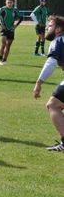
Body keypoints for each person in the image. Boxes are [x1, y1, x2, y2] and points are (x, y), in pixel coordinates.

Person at [32, 15, 64, 152]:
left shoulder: (58, 41)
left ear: (58, 29)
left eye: (50, 25)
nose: (46, 27)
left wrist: (39, 83)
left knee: (53, 105)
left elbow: (50, 63)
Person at [0, 0, 22, 65]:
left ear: (13, 3)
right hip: (3, 29)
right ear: (5, 2)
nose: (9, 4)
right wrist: (0, 24)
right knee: (3, 44)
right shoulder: (2, 9)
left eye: (11, 2)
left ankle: (4, 59)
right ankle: (0, 59)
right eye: (8, 2)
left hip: (11, 30)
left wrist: (16, 25)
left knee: (8, 45)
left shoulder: (15, 10)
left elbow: (21, 18)